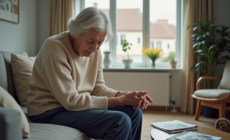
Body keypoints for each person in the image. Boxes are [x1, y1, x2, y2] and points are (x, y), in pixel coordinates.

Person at [27, 7, 153, 140]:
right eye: (91, 41)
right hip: (48, 111)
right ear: (76, 32)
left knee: (134, 112)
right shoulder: (55, 49)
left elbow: (98, 88)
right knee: (119, 121)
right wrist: (119, 100)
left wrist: (124, 95)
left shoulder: (95, 52)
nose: (95, 48)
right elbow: (70, 101)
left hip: (74, 106)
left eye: (100, 42)